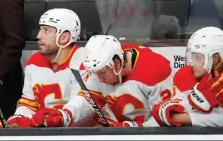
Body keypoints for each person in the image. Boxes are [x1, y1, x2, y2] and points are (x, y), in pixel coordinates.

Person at [31, 34, 174, 127]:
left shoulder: (156, 70)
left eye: (102, 73)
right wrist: (64, 115)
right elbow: (87, 100)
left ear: (117, 64)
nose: (98, 79)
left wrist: (133, 128)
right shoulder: (100, 64)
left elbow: (165, 118)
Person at [6, 8, 85, 127]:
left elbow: (83, 106)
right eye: (40, 29)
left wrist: (60, 117)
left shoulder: (83, 60)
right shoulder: (34, 61)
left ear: (64, 37)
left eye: (46, 30)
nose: (38, 36)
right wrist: (19, 117)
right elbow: (29, 103)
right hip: (47, 131)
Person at [151, 26, 223, 127]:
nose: (192, 63)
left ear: (216, 59)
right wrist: (172, 108)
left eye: (198, 58)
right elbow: (182, 102)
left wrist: (187, 119)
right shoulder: (186, 75)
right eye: (192, 57)